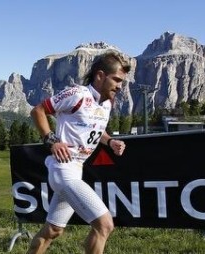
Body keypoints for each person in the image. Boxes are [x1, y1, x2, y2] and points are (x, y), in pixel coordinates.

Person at [27, 51, 130, 254]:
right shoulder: (78, 94)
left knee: (53, 230)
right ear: (100, 76)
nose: (119, 86)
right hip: (62, 169)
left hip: (76, 170)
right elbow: (37, 110)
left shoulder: (107, 104)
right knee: (105, 225)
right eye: (116, 80)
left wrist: (110, 142)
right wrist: (52, 140)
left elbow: (96, 130)